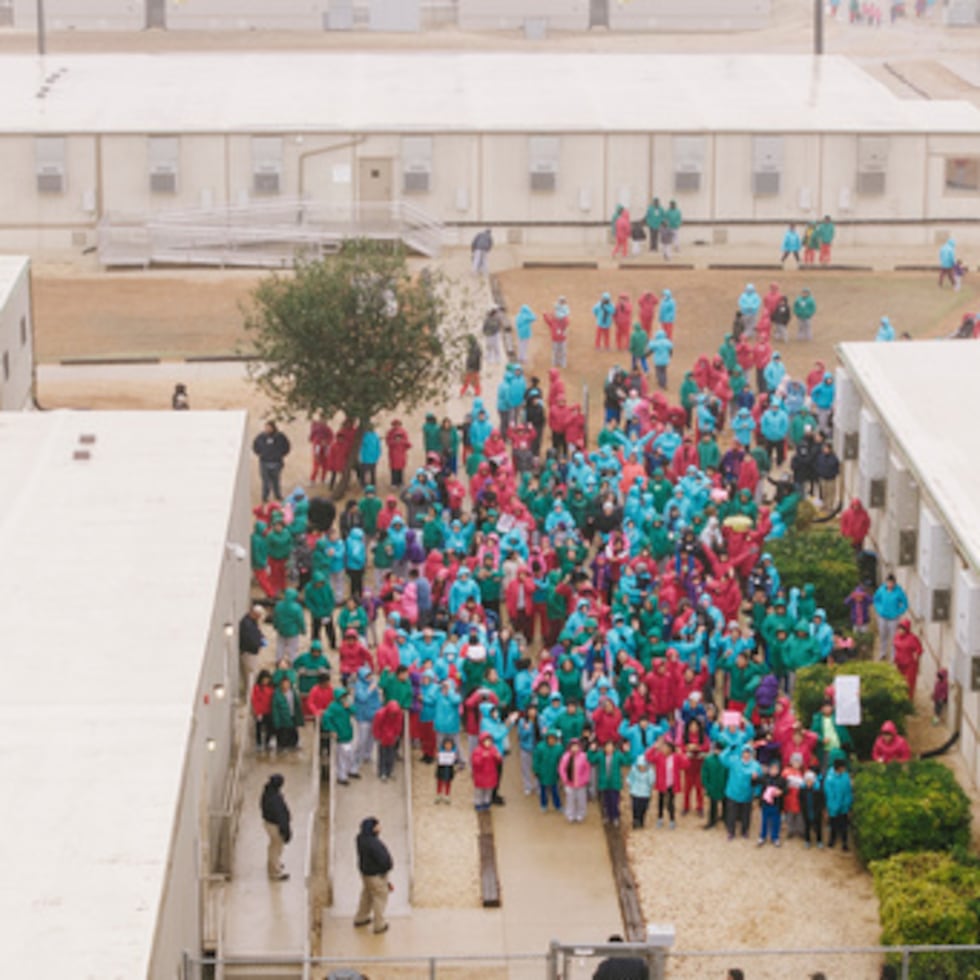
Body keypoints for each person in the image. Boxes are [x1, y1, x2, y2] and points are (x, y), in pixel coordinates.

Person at [354, 817, 393, 934]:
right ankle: (379, 925)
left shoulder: (360, 838)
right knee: (380, 898)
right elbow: (385, 860)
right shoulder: (374, 843)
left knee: (366, 896)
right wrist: (386, 869)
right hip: (376, 876)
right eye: (377, 826)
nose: (380, 828)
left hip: (365, 874)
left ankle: (361, 918)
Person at [261, 773, 292, 881]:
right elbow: (281, 816)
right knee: (276, 846)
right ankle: (275, 872)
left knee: (273, 846)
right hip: (274, 825)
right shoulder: (274, 798)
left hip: (268, 823)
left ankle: (274, 864)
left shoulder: (268, 792)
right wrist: (286, 831)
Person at [253, 421, 291, 503]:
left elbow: (287, 447)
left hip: (276, 462)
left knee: (276, 481)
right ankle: (265, 497)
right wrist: (261, 454)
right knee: (266, 482)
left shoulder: (280, 436)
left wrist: (280, 455)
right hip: (264, 462)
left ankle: (277, 495)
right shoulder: (261, 437)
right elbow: (255, 446)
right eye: (266, 427)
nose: (267, 429)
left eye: (269, 427)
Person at [873, 574, 908, 661]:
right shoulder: (881, 589)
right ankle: (882, 653)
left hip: (893, 618)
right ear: (886, 582)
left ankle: (893, 656)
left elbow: (905, 603)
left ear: (894, 583)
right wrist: (879, 609)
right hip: (882, 616)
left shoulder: (899, 591)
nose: (890, 585)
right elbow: (876, 599)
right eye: (888, 583)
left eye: (892, 583)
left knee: (893, 637)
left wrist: (899, 612)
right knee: (882, 635)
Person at [824, 757, 853, 851]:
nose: (844, 769)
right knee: (833, 825)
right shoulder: (829, 778)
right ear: (838, 768)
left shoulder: (845, 776)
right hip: (834, 807)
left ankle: (845, 843)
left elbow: (848, 791)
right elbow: (829, 794)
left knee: (844, 826)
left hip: (844, 806)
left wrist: (847, 803)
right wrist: (833, 806)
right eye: (843, 768)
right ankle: (832, 840)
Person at [271, 675, 305, 752]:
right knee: (282, 737)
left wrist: (299, 718)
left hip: (292, 716)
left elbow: (298, 705)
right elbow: (275, 709)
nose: (286, 685)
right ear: (281, 684)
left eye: (288, 684)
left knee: (293, 735)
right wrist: (276, 721)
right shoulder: (277, 694)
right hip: (282, 719)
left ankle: (293, 748)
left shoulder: (293, 692)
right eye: (284, 684)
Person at [435, 736, 458, 804]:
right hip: (441, 769)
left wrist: (455, 758)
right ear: (444, 745)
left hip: (449, 770)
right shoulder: (440, 752)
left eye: (449, 744)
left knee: (448, 783)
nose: (448, 746)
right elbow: (437, 760)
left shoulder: (453, 752)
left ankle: (447, 795)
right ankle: (439, 794)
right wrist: (437, 756)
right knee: (440, 782)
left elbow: (455, 762)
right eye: (446, 744)